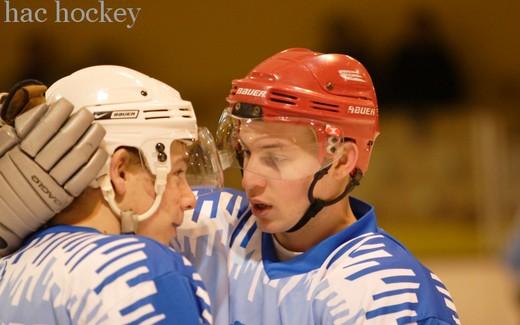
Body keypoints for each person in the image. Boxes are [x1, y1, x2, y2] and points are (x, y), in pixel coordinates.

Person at [173, 48, 460, 324]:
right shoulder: (207, 227)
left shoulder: (387, 293)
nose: (249, 180)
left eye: (274, 157)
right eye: (246, 152)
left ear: (341, 160)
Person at [0, 66, 219, 324]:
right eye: (178, 173)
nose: (189, 199)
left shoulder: (8, 269)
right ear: (120, 171)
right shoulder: (140, 268)